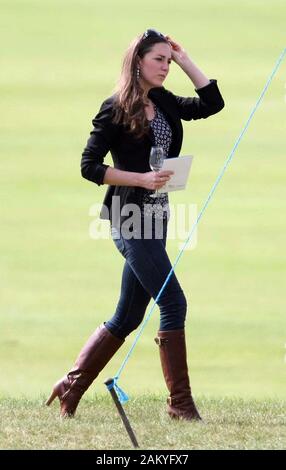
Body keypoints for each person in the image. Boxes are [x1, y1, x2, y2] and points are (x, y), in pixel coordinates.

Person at [46, 29, 225, 420]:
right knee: (173, 301)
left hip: (158, 216)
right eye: (158, 59)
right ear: (137, 62)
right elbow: (89, 166)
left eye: (167, 59)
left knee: (128, 316)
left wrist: (184, 58)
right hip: (128, 217)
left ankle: (70, 386)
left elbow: (212, 103)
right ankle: (180, 405)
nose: (164, 67)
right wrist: (141, 178)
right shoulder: (114, 108)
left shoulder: (162, 100)